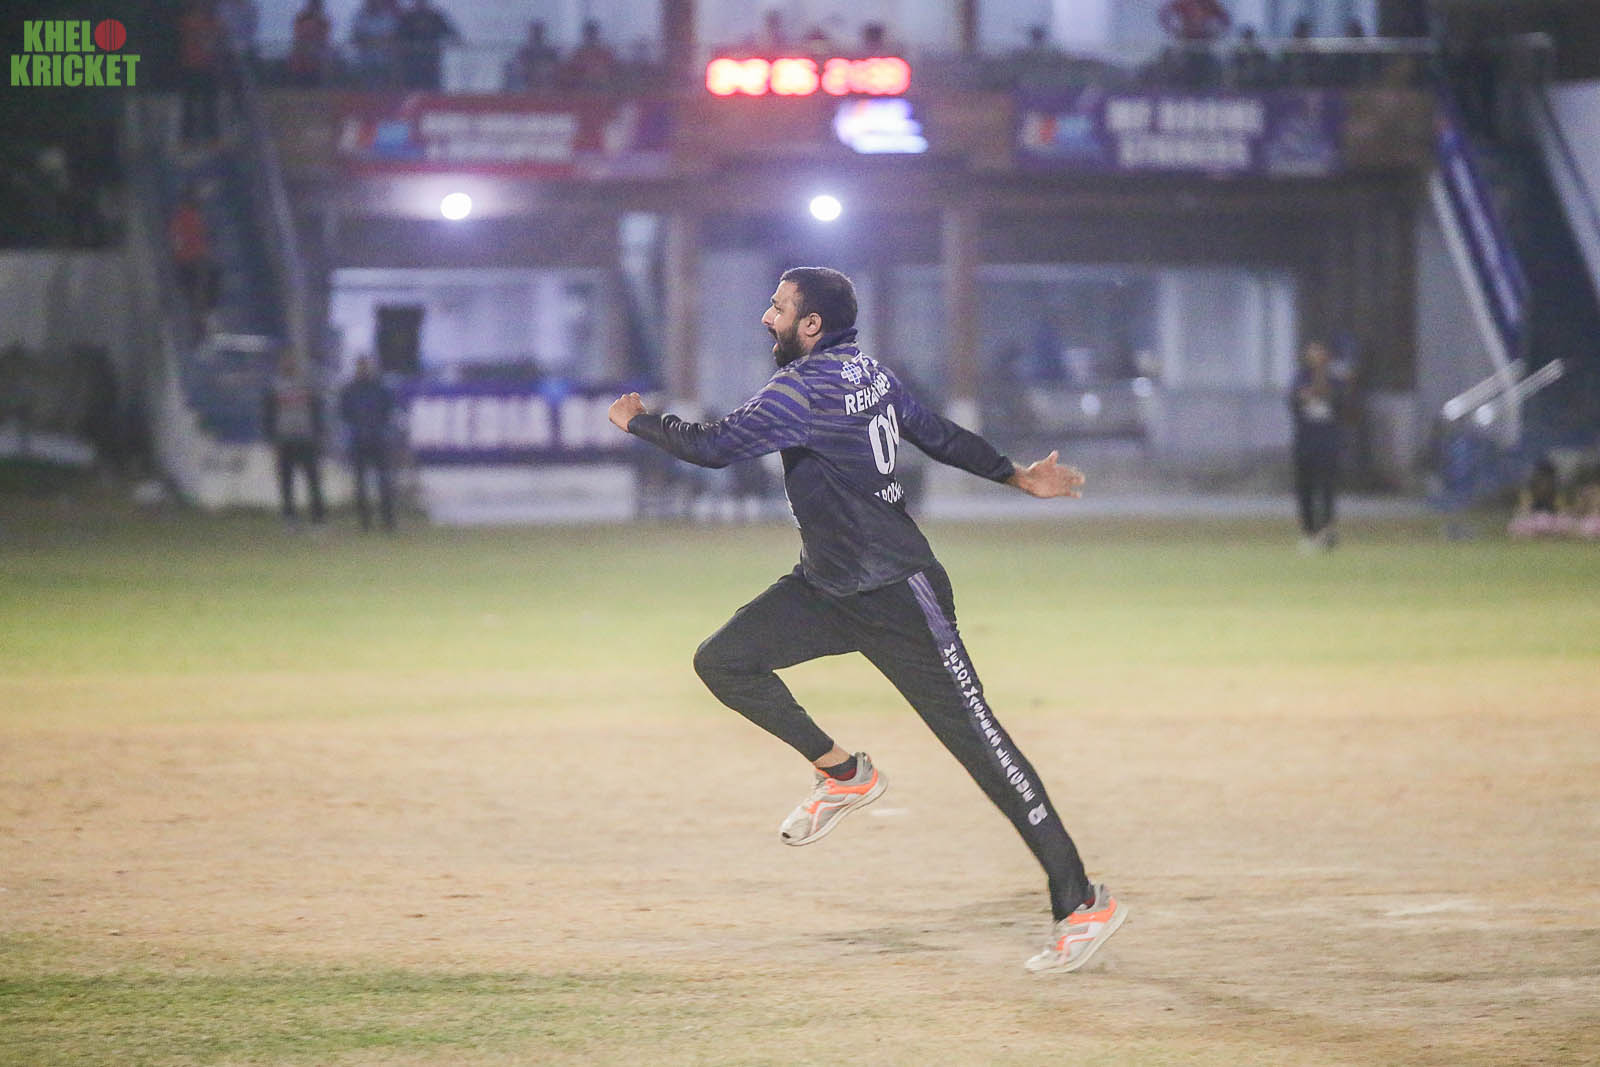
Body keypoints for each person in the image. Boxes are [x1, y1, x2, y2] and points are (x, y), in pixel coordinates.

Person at [606, 267, 1126, 973]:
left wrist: (638, 421)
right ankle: (845, 773)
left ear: (811, 325)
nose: (766, 317)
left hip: (899, 596)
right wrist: (1014, 473)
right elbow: (937, 433)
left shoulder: (802, 389)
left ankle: (1082, 903)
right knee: (723, 660)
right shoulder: (868, 373)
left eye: (778, 308)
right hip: (828, 588)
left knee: (983, 748)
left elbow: (713, 447)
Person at [1289, 339, 1345, 551]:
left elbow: (1338, 401)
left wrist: (1318, 388)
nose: (1315, 356)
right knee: (1305, 488)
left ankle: (1327, 531)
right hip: (1305, 441)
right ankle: (1309, 532)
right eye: (1312, 352)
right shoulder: (1300, 377)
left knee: (1327, 488)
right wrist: (1309, 393)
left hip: (1327, 441)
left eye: (1319, 352)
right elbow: (1296, 400)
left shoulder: (1334, 379)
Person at [262, 352, 326, 525]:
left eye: (291, 361)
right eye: (285, 361)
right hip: (285, 440)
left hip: (306, 439)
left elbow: (316, 410)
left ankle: (318, 517)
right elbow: (268, 413)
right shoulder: (274, 387)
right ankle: (290, 516)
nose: (288, 364)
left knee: (313, 480)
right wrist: (272, 438)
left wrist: (318, 433)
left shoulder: (306, 385)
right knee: (286, 482)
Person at [337, 356, 397, 532]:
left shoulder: (380, 389)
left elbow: (388, 410)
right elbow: (344, 413)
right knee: (360, 483)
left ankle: (388, 520)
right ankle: (365, 521)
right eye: (361, 366)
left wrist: (378, 428)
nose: (363, 370)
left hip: (378, 440)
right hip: (358, 441)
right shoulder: (350, 390)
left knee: (384, 481)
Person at [395, 0, 458, 90]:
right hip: (411, 63)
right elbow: (398, 37)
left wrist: (453, 42)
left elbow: (452, 33)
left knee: (432, 89)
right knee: (411, 89)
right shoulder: (407, 18)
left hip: (431, 62)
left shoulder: (435, 17)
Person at [503, 19, 560, 92]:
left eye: (538, 32)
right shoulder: (524, 51)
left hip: (546, 87)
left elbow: (555, 67)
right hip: (527, 84)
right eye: (535, 32)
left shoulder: (550, 52)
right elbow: (519, 66)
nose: (537, 35)